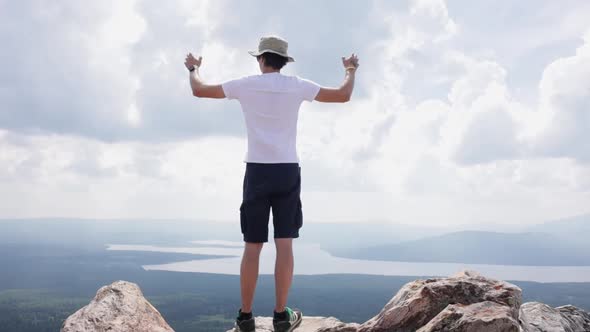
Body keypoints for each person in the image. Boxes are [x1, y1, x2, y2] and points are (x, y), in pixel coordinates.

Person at [184, 35, 358, 332]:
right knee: (285, 244)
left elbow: (199, 90)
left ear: (261, 59)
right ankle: (281, 316)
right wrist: (350, 70)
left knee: (252, 246)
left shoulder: (245, 84)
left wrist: (193, 68)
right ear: (283, 61)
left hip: (257, 171)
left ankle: (245, 317)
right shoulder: (297, 86)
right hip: (287, 170)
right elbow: (343, 95)